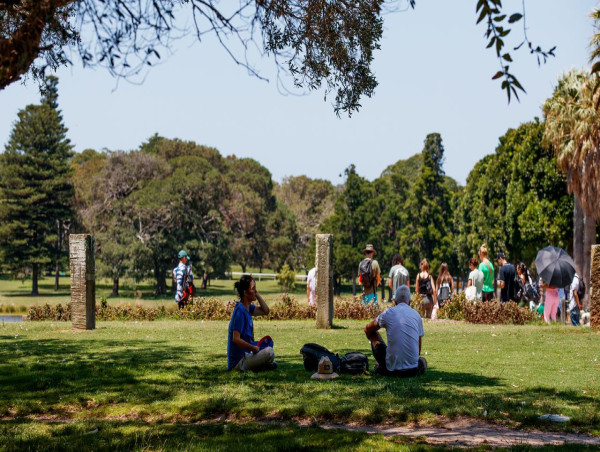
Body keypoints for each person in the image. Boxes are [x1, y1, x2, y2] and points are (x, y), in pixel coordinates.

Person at [364, 285, 427, 377]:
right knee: (423, 361)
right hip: (412, 371)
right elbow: (418, 350)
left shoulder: (388, 313)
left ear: (394, 302)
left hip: (391, 370)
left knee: (373, 333)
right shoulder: (416, 315)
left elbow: (367, 329)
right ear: (409, 302)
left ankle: (383, 366)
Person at [227, 275, 276, 372]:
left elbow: (266, 311)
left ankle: (261, 366)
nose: (255, 291)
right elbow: (236, 339)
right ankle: (262, 366)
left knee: (268, 345)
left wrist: (256, 294)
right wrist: (253, 348)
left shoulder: (248, 308)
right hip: (238, 363)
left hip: (247, 355)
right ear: (245, 292)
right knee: (269, 352)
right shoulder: (240, 311)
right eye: (253, 289)